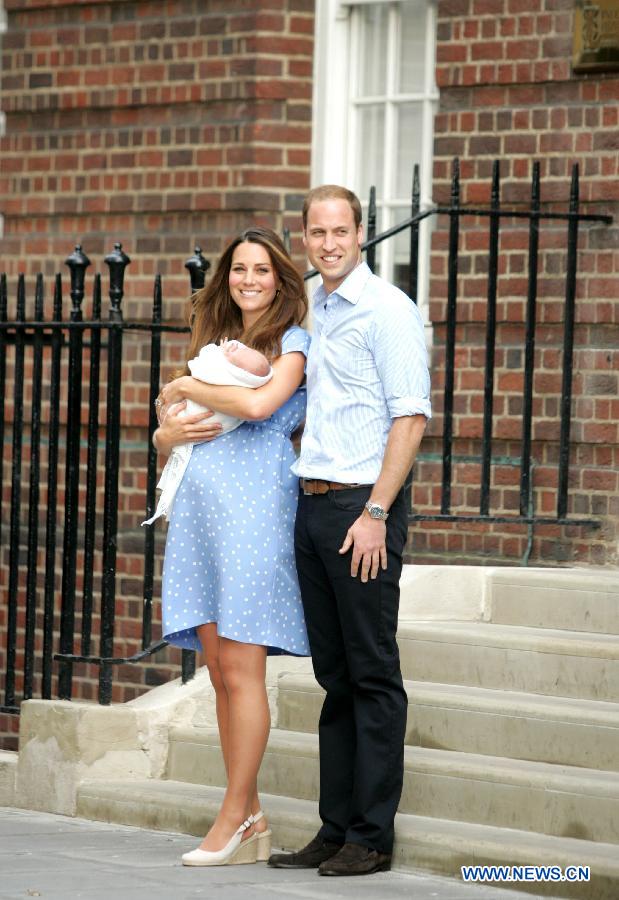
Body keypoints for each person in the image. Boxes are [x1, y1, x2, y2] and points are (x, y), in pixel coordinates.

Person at [268, 186, 431, 876]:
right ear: (303, 236)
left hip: (361, 509)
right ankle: (333, 829)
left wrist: (375, 514)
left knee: (371, 674)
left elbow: (410, 418)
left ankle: (371, 836)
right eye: (316, 232)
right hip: (312, 504)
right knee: (333, 677)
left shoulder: (387, 309)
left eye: (340, 230)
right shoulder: (310, 306)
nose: (328, 242)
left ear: (360, 232)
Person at [154, 227, 311, 867]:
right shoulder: (214, 343)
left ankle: (233, 814)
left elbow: (261, 404)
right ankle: (248, 816)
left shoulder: (293, 342)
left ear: (280, 280)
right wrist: (168, 431)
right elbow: (166, 434)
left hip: (253, 514)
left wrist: (187, 388)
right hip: (200, 513)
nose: (249, 280)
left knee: (244, 672)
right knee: (218, 672)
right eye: (240, 269)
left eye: (263, 270)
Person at [143, 339, 273, 525]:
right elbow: (162, 438)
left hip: (244, 487)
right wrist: (164, 430)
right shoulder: (216, 333)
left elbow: (255, 408)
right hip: (195, 485)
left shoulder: (291, 345)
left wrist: (184, 385)